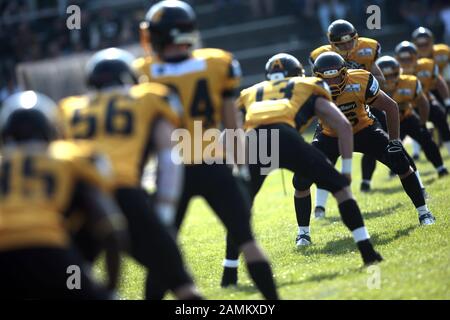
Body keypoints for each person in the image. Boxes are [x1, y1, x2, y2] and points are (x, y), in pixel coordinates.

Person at [134, 0, 278, 299]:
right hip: (214, 164)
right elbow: (232, 124)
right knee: (247, 241)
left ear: (159, 35)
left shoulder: (145, 71)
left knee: (163, 250)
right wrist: (240, 167)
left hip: (173, 171)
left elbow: (145, 133)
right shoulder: (217, 63)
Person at [221, 53, 383, 286]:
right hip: (287, 138)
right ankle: (367, 251)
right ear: (298, 73)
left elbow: (230, 131)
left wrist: (236, 166)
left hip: (254, 142)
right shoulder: (307, 84)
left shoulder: (251, 92)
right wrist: (346, 169)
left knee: (240, 207)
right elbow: (343, 125)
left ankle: (229, 273)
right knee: (341, 189)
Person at [59, 47, 202, 300]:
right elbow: (170, 158)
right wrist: (165, 209)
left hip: (84, 200)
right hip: (124, 192)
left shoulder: (71, 108)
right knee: (180, 282)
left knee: (73, 284)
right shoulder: (148, 97)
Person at [0, 91, 126, 299]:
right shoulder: (70, 157)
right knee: (74, 288)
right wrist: (111, 288)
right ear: (51, 129)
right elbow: (110, 227)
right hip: (51, 254)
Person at [303, 52, 436, 240]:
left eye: (337, 78)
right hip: (329, 135)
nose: (332, 84)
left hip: (364, 129)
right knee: (302, 179)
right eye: (327, 79)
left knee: (400, 162)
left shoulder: (360, 79)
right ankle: (303, 235)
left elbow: (390, 107)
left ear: (345, 73)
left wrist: (395, 141)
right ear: (317, 78)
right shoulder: (309, 88)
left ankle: (424, 212)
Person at [362, 56, 448, 185]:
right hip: (386, 122)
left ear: (399, 73)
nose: (389, 80)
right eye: (386, 76)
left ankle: (440, 168)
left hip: (407, 118)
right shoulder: (370, 88)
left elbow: (423, 103)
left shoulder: (410, 82)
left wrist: (422, 123)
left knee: (425, 138)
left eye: (393, 75)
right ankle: (365, 182)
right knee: (373, 147)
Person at [395, 41, 450, 157]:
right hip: (404, 107)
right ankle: (402, 160)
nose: (406, 62)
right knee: (396, 135)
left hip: (426, 102)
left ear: (416, 56)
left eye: (409, 58)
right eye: (403, 59)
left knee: (441, 119)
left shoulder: (427, 66)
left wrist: (447, 102)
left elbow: (439, 83)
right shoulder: (393, 72)